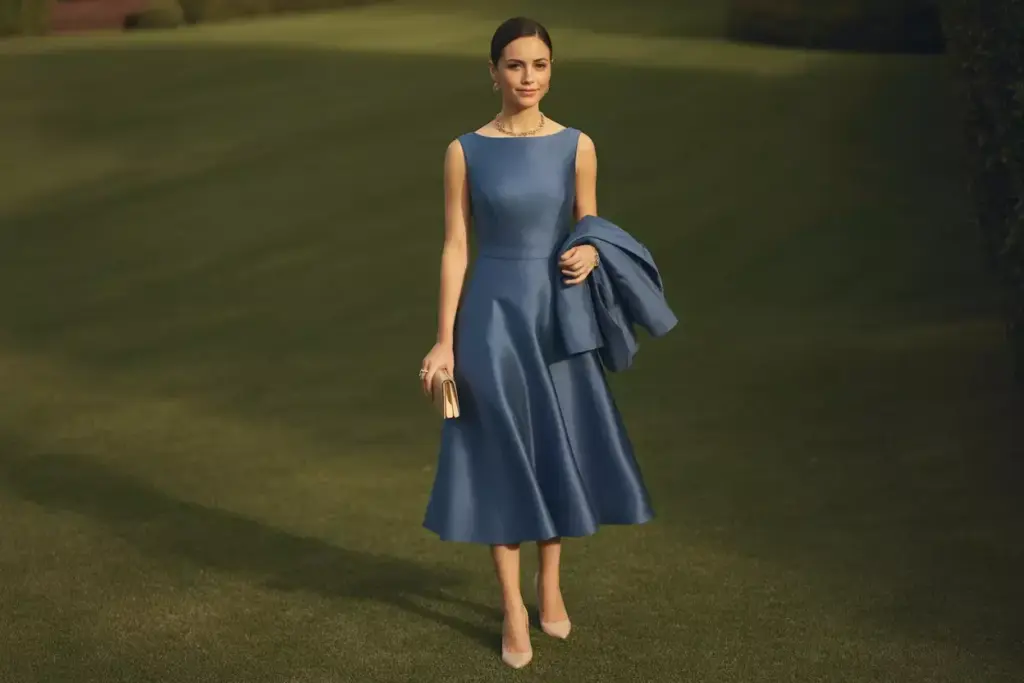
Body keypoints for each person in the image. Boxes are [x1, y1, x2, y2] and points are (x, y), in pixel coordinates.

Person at [418, 16, 672, 669]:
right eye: (515, 65)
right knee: (500, 453)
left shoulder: (577, 145)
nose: (528, 77)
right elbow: (455, 246)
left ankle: (549, 583)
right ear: (493, 72)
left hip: (557, 317)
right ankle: (511, 607)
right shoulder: (464, 151)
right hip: (490, 321)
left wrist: (590, 247)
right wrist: (444, 341)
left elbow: (588, 221)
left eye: (539, 65)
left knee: (557, 448)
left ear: (551, 71)